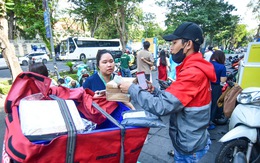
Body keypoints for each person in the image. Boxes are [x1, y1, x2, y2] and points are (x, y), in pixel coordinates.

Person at [119, 22, 217, 163]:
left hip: (189, 146)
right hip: (192, 138)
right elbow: (176, 99)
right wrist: (156, 91)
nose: (171, 49)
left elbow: (162, 107)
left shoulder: (193, 72)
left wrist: (131, 88)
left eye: (174, 43)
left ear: (187, 44)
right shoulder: (192, 68)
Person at [208, 50, 227, 130]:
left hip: (206, 86)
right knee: (214, 105)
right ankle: (209, 122)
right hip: (215, 87)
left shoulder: (208, 64)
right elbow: (222, 80)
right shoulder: (222, 67)